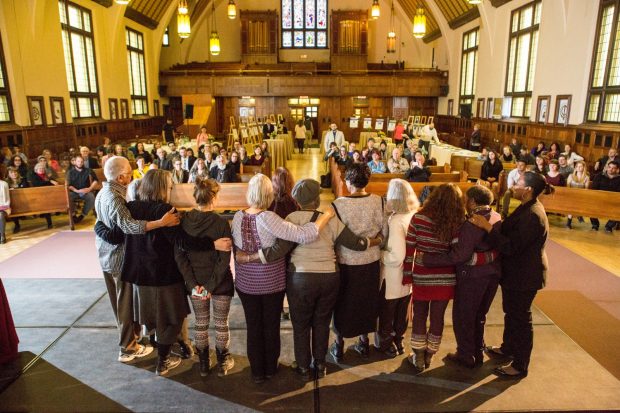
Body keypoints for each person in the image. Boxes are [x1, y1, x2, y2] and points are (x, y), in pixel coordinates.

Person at [239, 179, 381, 379]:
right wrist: (376, 240)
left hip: (300, 279)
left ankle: (303, 366)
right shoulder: (329, 218)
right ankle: (321, 364)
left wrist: (251, 257)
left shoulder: (291, 218)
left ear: (297, 200)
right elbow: (355, 243)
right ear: (317, 199)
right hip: (329, 278)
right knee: (322, 322)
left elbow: (280, 250)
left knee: (301, 324)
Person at [231, 174, 333, 383]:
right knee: (270, 326)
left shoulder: (238, 216)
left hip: (245, 283)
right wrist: (325, 217)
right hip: (270, 283)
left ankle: (257, 372)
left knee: (253, 326)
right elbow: (305, 235)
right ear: (269, 194)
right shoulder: (268, 218)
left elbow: (238, 248)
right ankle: (270, 368)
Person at [94, 156, 179, 363]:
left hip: (105, 254)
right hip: (117, 258)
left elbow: (100, 223)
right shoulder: (115, 197)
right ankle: (128, 348)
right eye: (129, 173)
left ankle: (131, 339)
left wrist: (99, 228)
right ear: (121, 176)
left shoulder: (102, 193)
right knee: (124, 305)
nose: (131, 176)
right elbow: (128, 227)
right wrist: (160, 222)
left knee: (119, 303)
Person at [470, 172, 553, 379]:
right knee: (511, 313)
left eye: (518, 183)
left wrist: (487, 226)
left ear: (528, 190)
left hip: (525, 274)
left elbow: (511, 246)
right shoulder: (526, 208)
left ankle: (520, 364)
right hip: (516, 272)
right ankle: (508, 349)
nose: (513, 186)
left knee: (521, 319)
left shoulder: (533, 214)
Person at [118, 170, 191, 376]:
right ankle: (164, 360)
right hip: (164, 275)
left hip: (140, 276)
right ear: (161, 187)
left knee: (152, 317)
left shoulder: (131, 207)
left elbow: (116, 232)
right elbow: (182, 241)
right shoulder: (165, 209)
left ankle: (167, 350)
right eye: (169, 187)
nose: (170, 190)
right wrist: (210, 241)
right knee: (174, 317)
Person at [421, 185, 501, 369]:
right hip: (492, 274)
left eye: (466, 199)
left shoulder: (472, 223)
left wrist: (429, 259)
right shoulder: (496, 217)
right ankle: (477, 351)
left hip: (473, 277)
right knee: (479, 315)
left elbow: (460, 255)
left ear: (472, 201)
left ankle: (466, 355)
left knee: (464, 316)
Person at [174, 177, 235, 377]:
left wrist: (193, 284)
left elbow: (180, 256)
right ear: (214, 197)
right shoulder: (221, 223)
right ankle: (223, 359)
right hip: (219, 282)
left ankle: (203, 363)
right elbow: (224, 259)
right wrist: (210, 286)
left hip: (195, 282)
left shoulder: (184, 221)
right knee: (221, 323)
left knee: (200, 322)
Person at [404, 184, 465, 373]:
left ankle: (418, 355)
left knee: (419, 314)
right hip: (446, 277)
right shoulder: (458, 221)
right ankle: (430, 353)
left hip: (422, 274)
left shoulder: (419, 217)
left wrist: (407, 275)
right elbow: (456, 252)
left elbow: (409, 249)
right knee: (438, 317)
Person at [329, 164, 385, 362]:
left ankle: (339, 344)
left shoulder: (338, 204)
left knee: (343, 301)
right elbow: (383, 232)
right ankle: (364, 341)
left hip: (346, 261)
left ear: (349, 182)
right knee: (367, 300)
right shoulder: (378, 201)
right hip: (371, 260)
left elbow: (334, 236)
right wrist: (375, 240)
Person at [375, 179, 419, 357]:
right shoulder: (413, 215)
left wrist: (380, 253)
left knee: (388, 311)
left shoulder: (395, 221)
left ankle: (386, 344)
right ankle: (399, 341)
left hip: (393, 275)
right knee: (403, 310)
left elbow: (396, 256)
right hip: (409, 272)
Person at [66, 155, 99, 223]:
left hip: (85, 191)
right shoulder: (70, 172)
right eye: (78, 161)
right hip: (74, 191)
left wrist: (90, 189)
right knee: (67, 198)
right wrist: (77, 190)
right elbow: (68, 185)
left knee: (91, 198)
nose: (80, 163)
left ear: (83, 162)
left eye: (81, 161)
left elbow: (96, 180)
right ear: (75, 162)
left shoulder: (88, 170)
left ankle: (82, 215)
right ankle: (73, 214)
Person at [589, 161, 620, 232]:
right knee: (591, 206)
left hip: (613, 200)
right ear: (606, 167)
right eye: (609, 167)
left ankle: (609, 226)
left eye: (613, 168)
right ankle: (595, 225)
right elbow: (594, 188)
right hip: (599, 199)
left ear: (617, 170)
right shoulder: (599, 176)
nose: (610, 169)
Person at [29, 163, 56, 229]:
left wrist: (53, 182)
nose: (41, 169)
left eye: (43, 168)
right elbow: (38, 184)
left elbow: (53, 183)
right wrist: (50, 182)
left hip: (47, 195)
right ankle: (49, 223)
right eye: (40, 168)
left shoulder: (46, 176)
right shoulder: (34, 176)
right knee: (46, 205)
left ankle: (50, 223)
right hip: (38, 195)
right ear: (36, 169)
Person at [566, 160, 590, 229]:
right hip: (571, 195)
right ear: (575, 168)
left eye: (580, 166)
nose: (578, 168)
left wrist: (580, 195)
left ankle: (578, 216)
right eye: (577, 166)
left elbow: (586, 189)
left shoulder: (586, 177)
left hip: (581, 196)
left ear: (584, 168)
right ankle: (569, 222)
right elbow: (568, 187)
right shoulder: (571, 176)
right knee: (571, 204)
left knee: (577, 203)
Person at [0, 179, 10, 244]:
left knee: (1, 215)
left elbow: (7, 198)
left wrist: (6, 206)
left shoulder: (4, 183)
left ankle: (2, 235)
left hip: (3, 205)